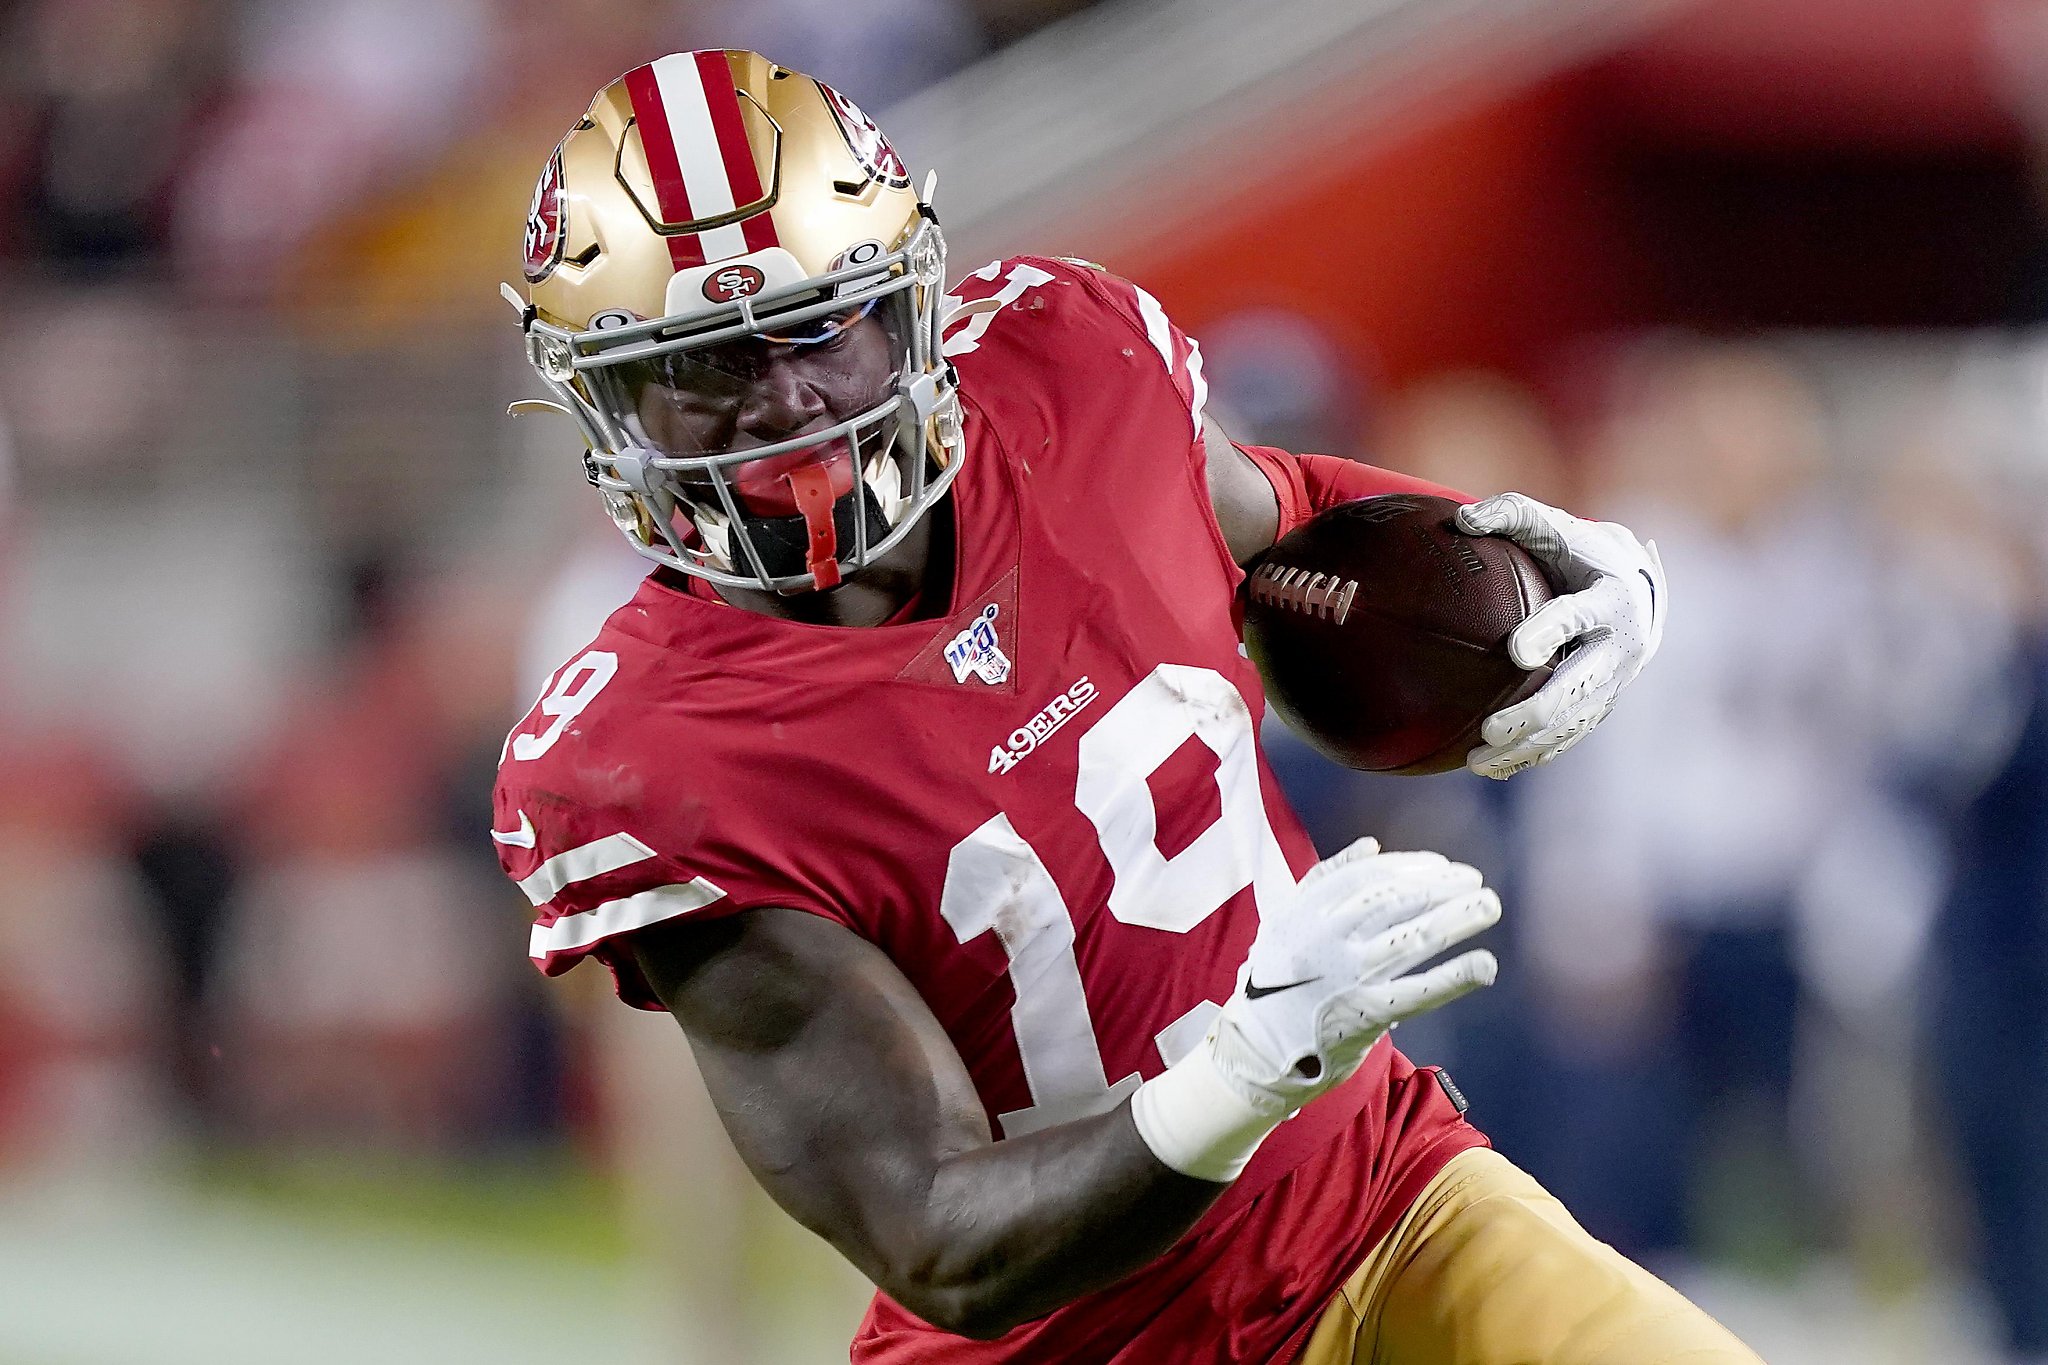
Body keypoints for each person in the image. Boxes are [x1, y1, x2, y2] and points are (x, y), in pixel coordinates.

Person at [491, 50, 1753, 1363]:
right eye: (708, 363)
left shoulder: (1069, 375)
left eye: (817, 324)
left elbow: (1298, 518)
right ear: (612, 404)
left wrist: (1582, 575)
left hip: (1383, 1205)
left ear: (904, 301)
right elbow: (934, 1228)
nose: (785, 400)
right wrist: (1246, 1063)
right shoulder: (648, 764)